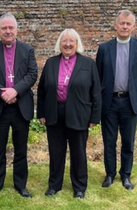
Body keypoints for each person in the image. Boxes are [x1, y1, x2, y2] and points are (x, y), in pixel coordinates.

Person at [37, 28, 101, 199]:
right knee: (56, 152)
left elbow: (96, 92)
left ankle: (79, 187)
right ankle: (54, 185)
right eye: (64, 41)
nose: (67, 44)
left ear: (77, 43)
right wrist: (41, 113)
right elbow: (42, 90)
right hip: (54, 113)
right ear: (60, 43)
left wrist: (95, 117)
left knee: (78, 153)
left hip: (79, 114)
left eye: (71, 41)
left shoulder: (88, 64)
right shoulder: (51, 63)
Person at [0, 12, 38, 198]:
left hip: (21, 107)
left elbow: (32, 74)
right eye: (4, 28)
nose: (7, 31)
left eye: (10, 28)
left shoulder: (27, 50)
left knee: (21, 149)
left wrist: (15, 91)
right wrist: (2, 92)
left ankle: (20, 185)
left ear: (16, 29)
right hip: (0, 107)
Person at [96, 9, 137, 190]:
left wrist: (133, 90)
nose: (125, 26)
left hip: (130, 102)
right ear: (116, 25)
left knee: (128, 141)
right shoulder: (104, 48)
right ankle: (110, 174)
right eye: (122, 23)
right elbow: (99, 75)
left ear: (134, 26)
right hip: (110, 102)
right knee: (109, 141)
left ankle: (126, 175)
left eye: (128, 24)